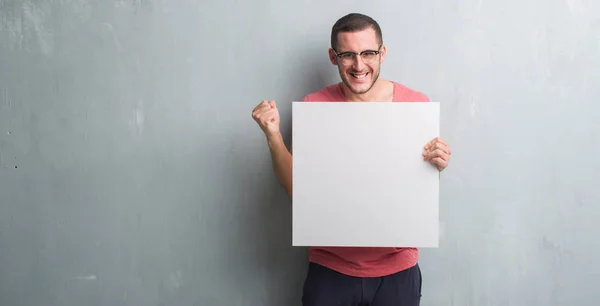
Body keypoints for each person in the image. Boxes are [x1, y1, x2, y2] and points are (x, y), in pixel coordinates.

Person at [251, 13, 451, 306]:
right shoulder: (315, 106)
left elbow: (415, 187)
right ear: (333, 57)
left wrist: (437, 164)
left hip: (398, 269)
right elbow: (298, 190)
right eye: (348, 55)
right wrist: (273, 136)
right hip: (331, 268)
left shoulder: (415, 106)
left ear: (382, 53)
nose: (359, 65)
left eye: (368, 53)